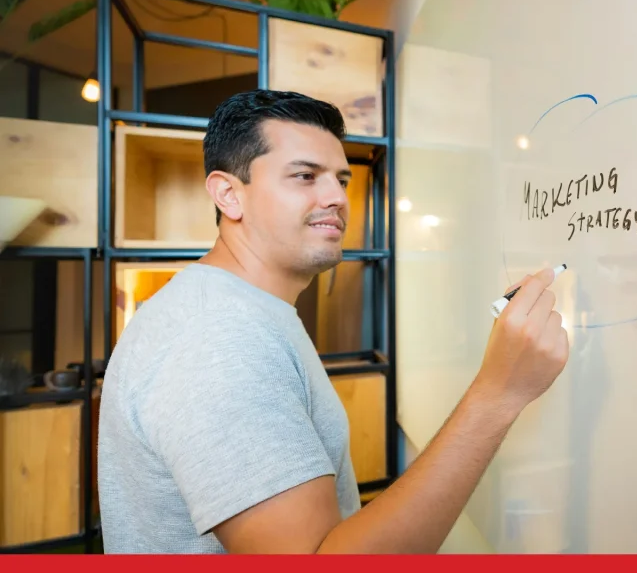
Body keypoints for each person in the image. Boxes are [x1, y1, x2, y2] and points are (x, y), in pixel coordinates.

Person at [97, 89, 569, 553]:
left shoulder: (238, 312)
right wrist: (499, 392)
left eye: (341, 180)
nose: (337, 197)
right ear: (228, 195)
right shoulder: (218, 338)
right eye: (305, 176)